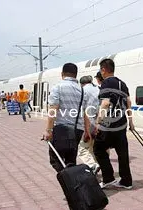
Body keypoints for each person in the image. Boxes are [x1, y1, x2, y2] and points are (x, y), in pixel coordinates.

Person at [93, 58, 134, 189]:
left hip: (108, 125)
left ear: (103, 70)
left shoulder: (106, 83)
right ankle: (126, 181)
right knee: (122, 153)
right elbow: (128, 103)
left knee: (98, 149)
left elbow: (105, 103)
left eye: (101, 70)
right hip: (121, 124)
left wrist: (98, 122)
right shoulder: (123, 84)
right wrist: (131, 122)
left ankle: (108, 178)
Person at [44, 63, 90, 172]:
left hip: (61, 129)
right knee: (71, 160)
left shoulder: (58, 87)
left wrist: (48, 130)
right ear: (76, 75)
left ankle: (68, 180)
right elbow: (85, 113)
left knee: (55, 158)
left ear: (62, 74)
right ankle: (74, 184)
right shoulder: (82, 90)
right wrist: (87, 131)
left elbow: (53, 110)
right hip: (77, 130)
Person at [78, 75, 100, 174]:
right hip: (100, 123)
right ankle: (99, 166)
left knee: (82, 148)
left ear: (82, 84)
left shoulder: (83, 91)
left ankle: (93, 165)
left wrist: (86, 130)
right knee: (94, 148)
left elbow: (83, 111)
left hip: (89, 123)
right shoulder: (99, 89)